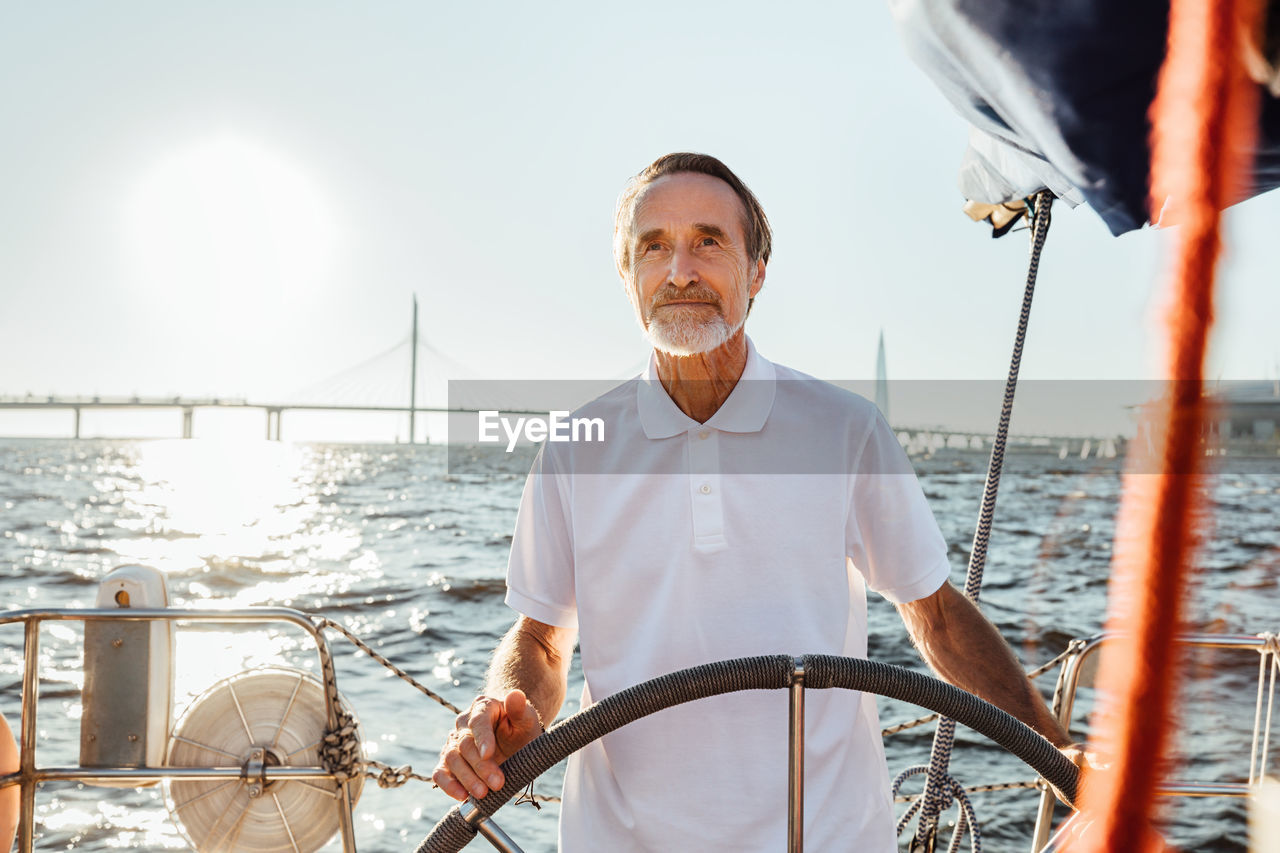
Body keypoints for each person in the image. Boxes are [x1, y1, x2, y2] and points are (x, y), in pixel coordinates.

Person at [433, 152, 1076, 851]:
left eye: (708, 241)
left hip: (828, 837)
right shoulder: (573, 450)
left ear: (757, 272)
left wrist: (1058, 753)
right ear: (628, 278)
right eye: (653, 248)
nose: (680, 271)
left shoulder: (845, 430)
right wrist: (504, 705)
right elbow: (539, 639)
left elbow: (938, 618)